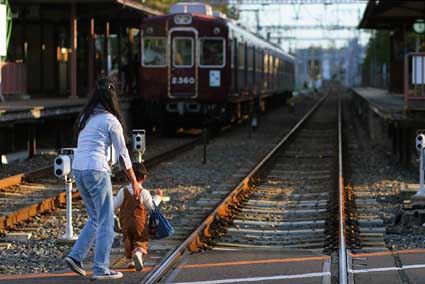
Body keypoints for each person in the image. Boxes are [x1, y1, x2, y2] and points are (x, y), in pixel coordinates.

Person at [64, 77, 140, 280]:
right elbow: (123, 154)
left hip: (78, 169)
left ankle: (76, 256)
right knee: (106, 220)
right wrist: (134, 181)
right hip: (97, 170)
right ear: (112, 98)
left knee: (96, 217)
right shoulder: (111, 120)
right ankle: (101, 268)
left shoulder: (85, 117)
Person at [113, 162, 163, 271]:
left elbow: (115, 204)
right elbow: (151, 206)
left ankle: (130, 261)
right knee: (142, 239)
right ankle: (139, 253)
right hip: (139, 222)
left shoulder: (123, 191)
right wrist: (158, 197)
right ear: (144, 177)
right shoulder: (143, 192)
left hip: (125, 222)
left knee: (127, 240)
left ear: (128, 176)